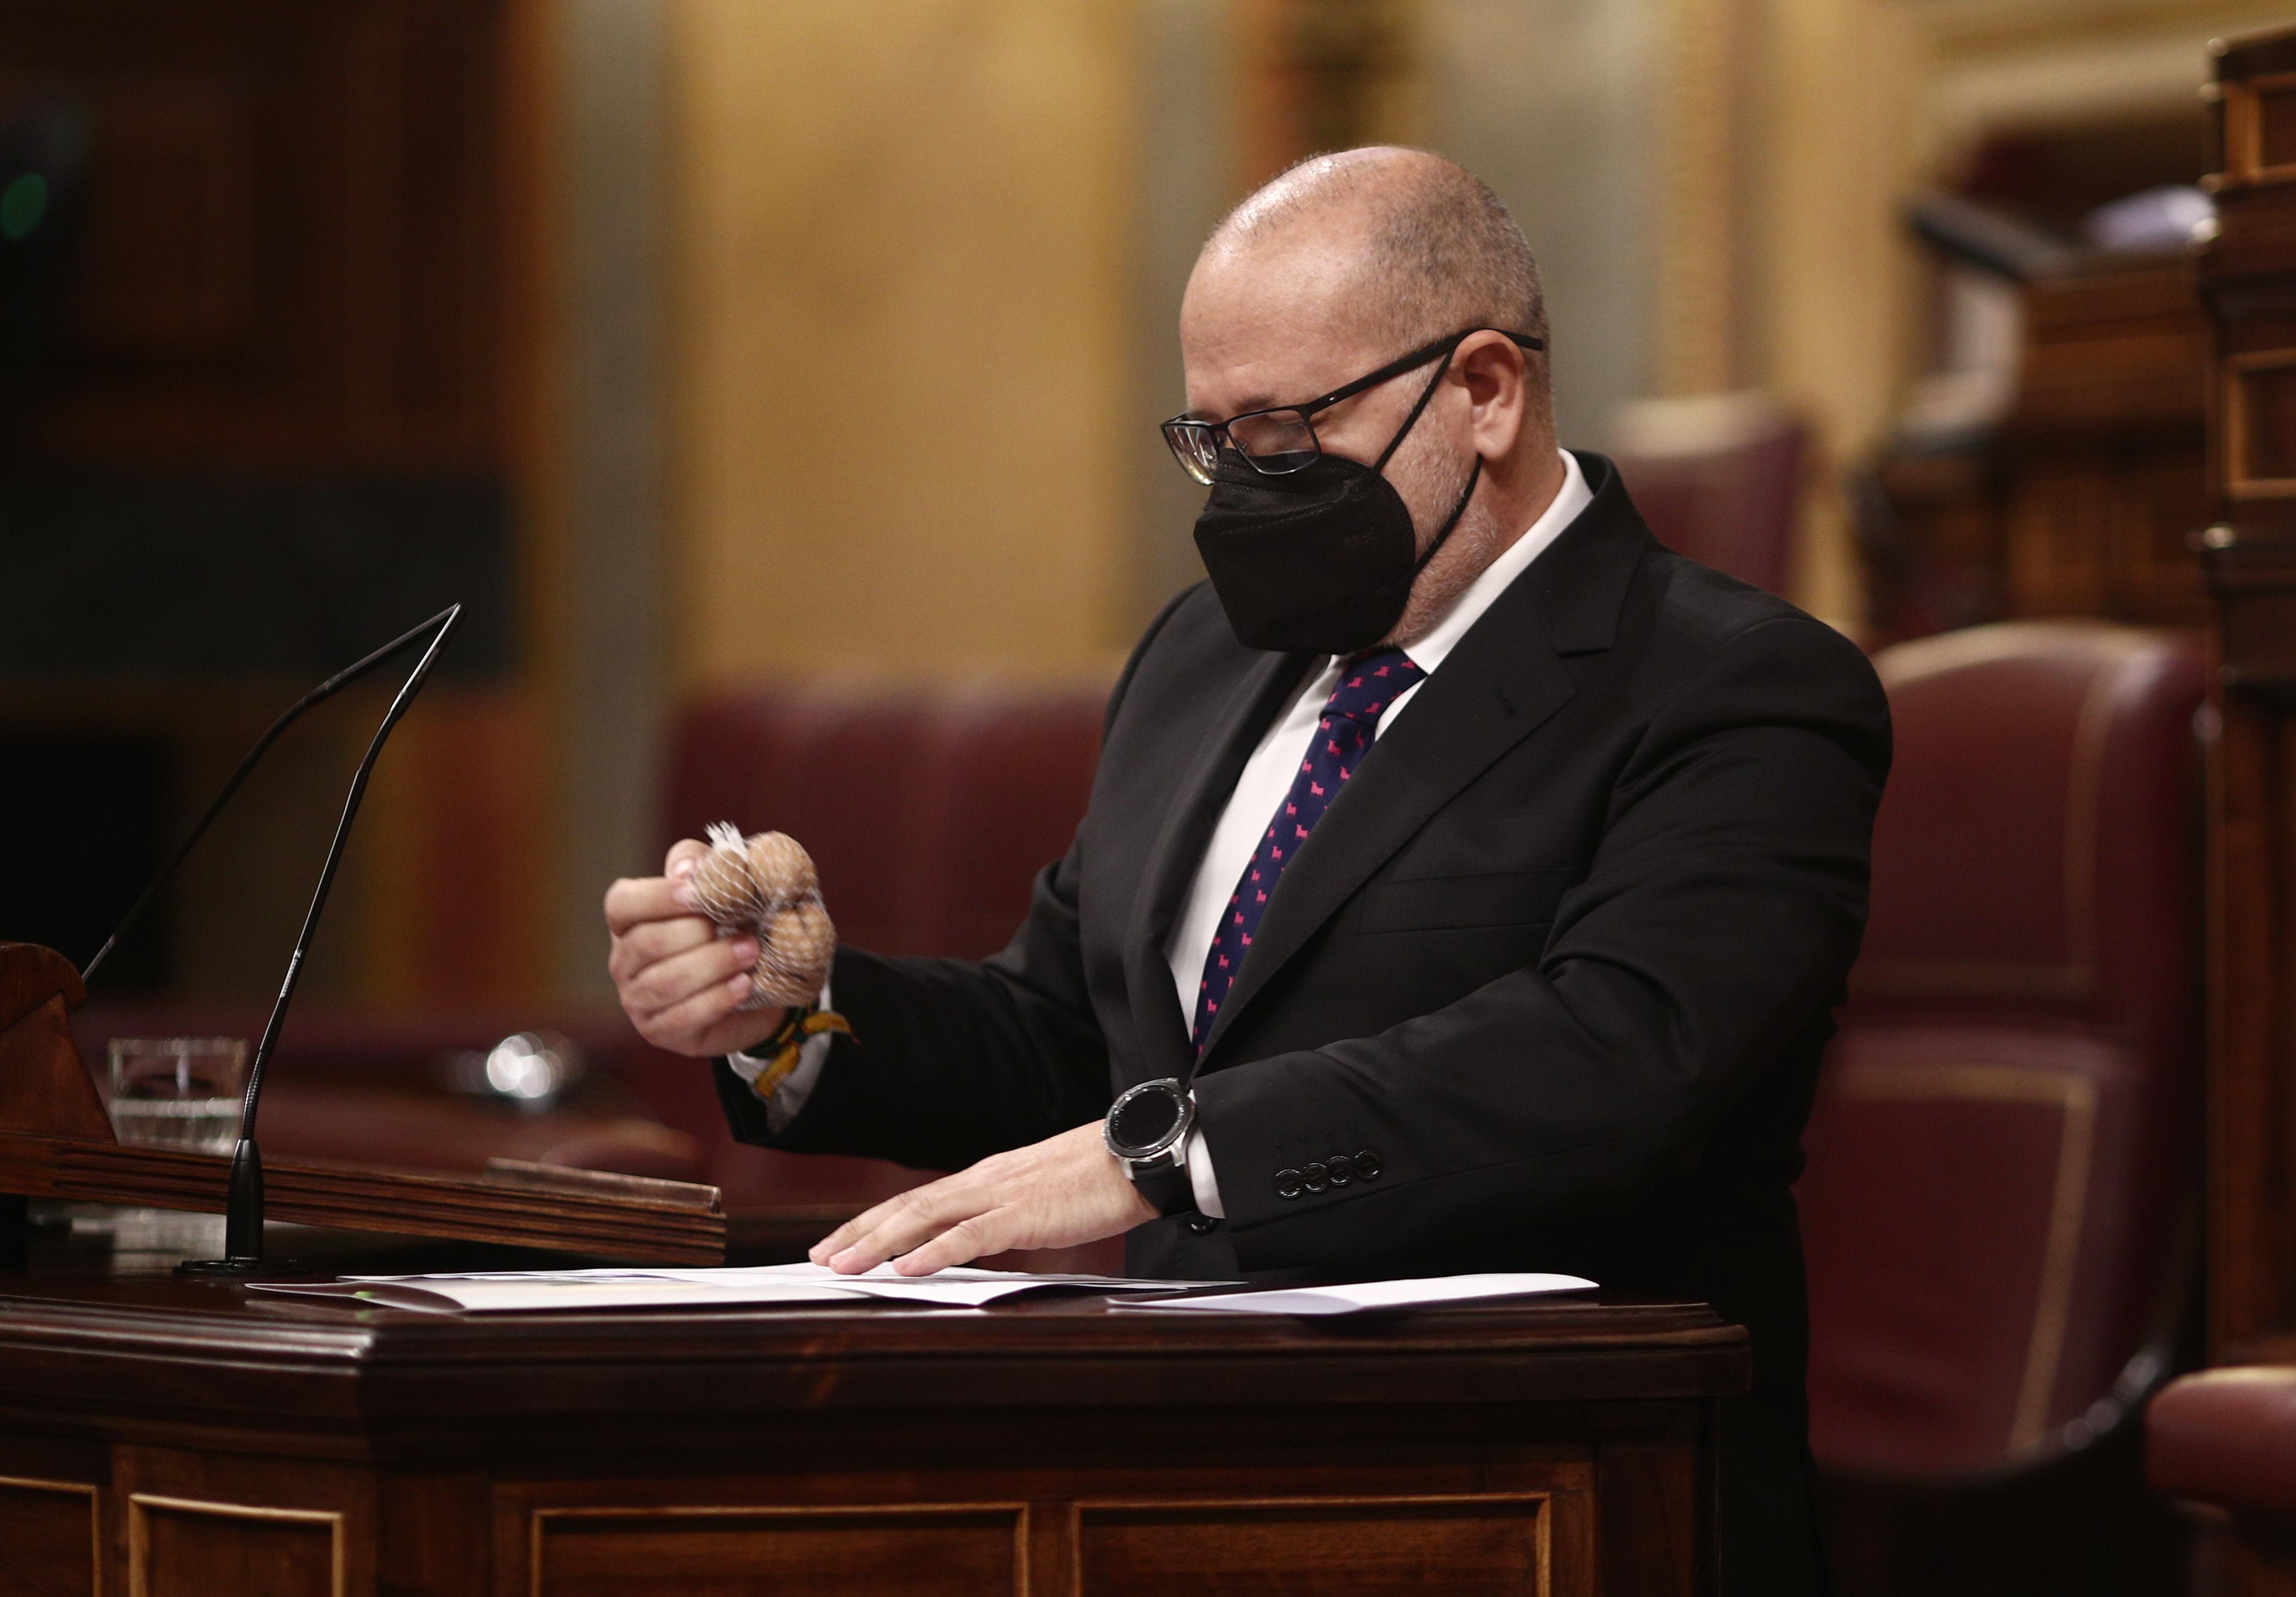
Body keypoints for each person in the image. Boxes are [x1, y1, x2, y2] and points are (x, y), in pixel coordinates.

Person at [605, 146, 1888, 1596]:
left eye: (1288, 429)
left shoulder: (1735, 683)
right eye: (1211, 437)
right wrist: (785, 1011)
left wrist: (1165, 1154)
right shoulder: (1208, 656)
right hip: (1184, 1473)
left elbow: (1615, 1052)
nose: (1242, 487)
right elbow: (1076, 1035)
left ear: (1482, 389)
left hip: (1543, 1490)